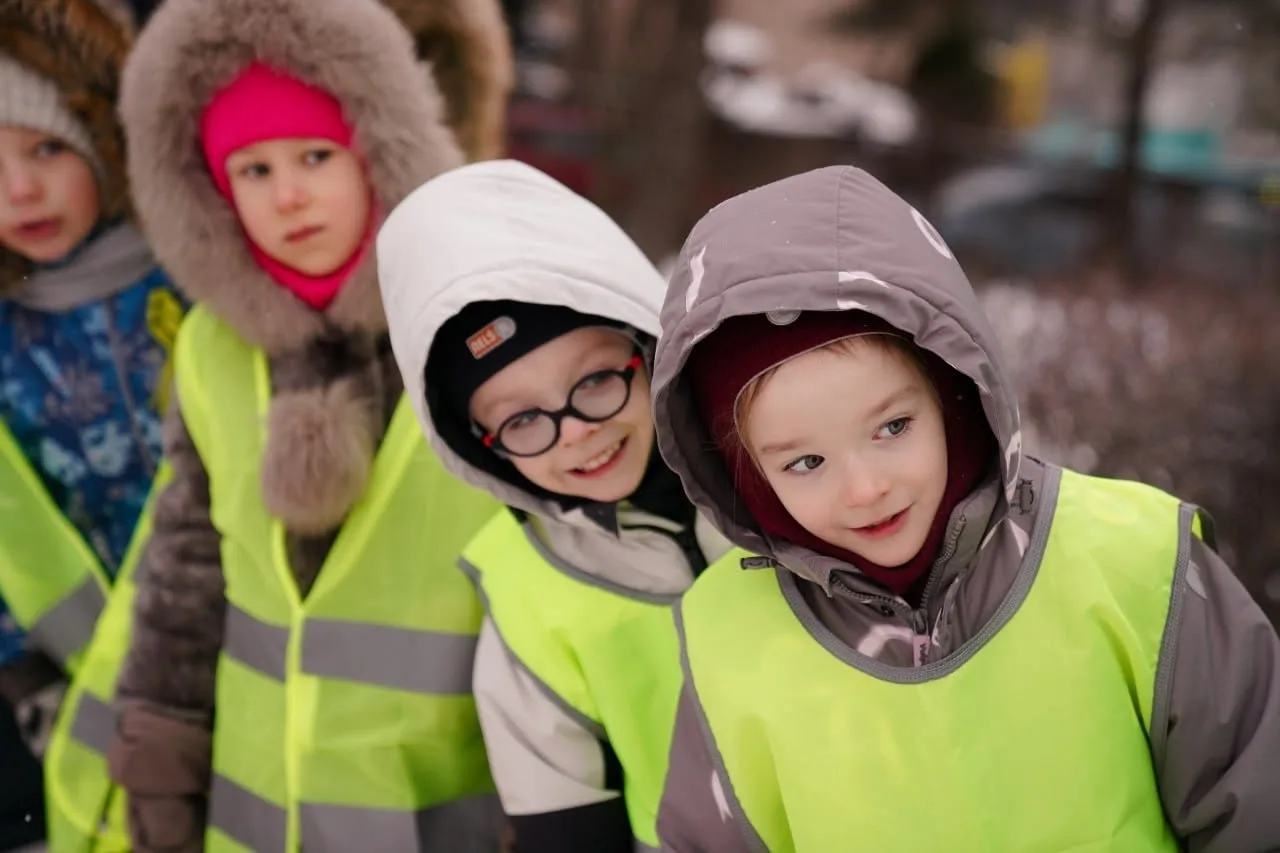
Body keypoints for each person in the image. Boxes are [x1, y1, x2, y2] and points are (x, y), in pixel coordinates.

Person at [647, 165, 1280, 852]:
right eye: (806, 463)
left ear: (952, 392)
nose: (865, 488)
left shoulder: (1137, 565)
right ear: (750, 479)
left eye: (892, 427)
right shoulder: (731, 638)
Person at [83, 0, 508, 850]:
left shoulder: (475, 334)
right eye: (253, 169)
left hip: (433, 817)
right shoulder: (214, 346)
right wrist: (160, 763)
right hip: (252, 816)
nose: (289, 197)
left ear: (378, 151)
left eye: (316, 155)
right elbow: (186, 565)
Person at [378, 159, 733, 852]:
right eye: (521, 420)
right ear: (484, 448)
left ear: (648, 350)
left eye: (595, 381)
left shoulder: (778, 486)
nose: (575, 431)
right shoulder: (529, 601)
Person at [0, 1, 184, 849]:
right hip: (72, 679)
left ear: (107, 142)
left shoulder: (194, 277)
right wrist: (28, 680)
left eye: (47, 148)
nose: (20, 190)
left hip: (229, 652)